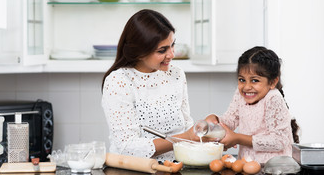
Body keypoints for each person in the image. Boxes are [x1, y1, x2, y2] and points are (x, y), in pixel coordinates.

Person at [101, 9, 198, 161]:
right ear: (139, 52)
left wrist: (203, 136)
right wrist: (186, 138)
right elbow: (127, 147)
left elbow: (186, 125)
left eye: (172, 45)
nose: (172, 54)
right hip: (134, 170)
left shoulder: (177, 74)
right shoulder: (119, 81)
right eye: (162, 50)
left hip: (176, 166)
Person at [205, 46, 300, 163]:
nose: (247, 87)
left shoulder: (273, 98)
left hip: (275, 167)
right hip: (247, 164)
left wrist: (237, 138)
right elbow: (230, 120)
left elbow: (279, 141)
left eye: (254, 80)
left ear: (273, 82)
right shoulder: (240, 94)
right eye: (242, 80)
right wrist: (216, 121)